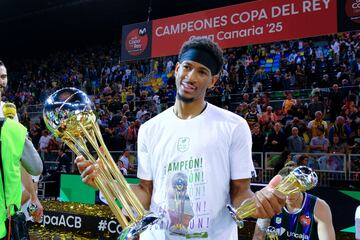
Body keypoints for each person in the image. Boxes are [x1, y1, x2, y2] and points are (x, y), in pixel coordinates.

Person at [76, 37, 285, 239]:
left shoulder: (233, 126)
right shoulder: (149, 129)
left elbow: (240, 193)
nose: (191, 77)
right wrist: (106, 184)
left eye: (202, 71)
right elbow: (145, 194)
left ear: (213, 80)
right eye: (187, 67)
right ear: (177, 69)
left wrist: (258, 203)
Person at [0, 60, 43, 228]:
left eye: (3, 76)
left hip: (5, 204)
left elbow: (20, 161)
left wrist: (33, 197)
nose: (1, 81)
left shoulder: (9, 113)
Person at [252, 165, 336, 240]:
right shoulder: (270, 202)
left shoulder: (319, 206)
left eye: (292, 189)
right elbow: (258, 236)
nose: (288, 195)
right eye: (284, 190)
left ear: (301, 187)